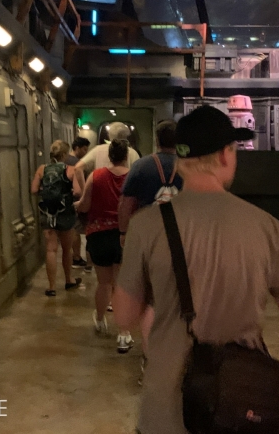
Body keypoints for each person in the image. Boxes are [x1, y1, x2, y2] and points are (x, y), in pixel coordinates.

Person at [113, 105, 279, 434]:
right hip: (242, 408)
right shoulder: (266, 226)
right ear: (226, 155)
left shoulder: (146, 225)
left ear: (180, 160)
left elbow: (124, 316)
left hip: (166, 412)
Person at [117, 119, 184, 379]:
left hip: (148, 240)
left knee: (150, 301)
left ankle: (150, 358)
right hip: (183, 241)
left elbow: (126, 203)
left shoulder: (141, 166)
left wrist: (124, 233)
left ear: (157, 139)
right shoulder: (189, 167)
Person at [75, 139, 135, 354]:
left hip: (99, 235)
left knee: (104, 283)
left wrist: (77, 205)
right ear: (126, 156)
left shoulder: (97, 175)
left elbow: (85, 205)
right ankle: (124, 333)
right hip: (125, 236)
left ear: (110, 156)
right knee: (121, 285)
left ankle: (100, 321)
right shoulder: (133, 177)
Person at [30, 140, 82, 297]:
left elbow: (34, 189)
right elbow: (78, 192)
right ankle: (69, 280)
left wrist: (46, 191)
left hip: (47, 212)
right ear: (65, 154)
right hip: (65, 212)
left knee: (51, 249)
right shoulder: (71, 170)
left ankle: (51, 287)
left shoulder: (42, 169)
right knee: (67, 249)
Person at [73, 121, 140, 194]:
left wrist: (85, 192)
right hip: (123, 195)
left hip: (101, 195)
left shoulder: (98, 150)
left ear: (109, 135)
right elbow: (139, 176)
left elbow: (78, 168)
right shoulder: (133, 153)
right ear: (126, 136)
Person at [65, 137, 92, 268]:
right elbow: (77, 190)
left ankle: (75, 256)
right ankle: (78, 258)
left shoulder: (64, 160)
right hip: (76, 200)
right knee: (80, 229)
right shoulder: (77, 163)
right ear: (77, 148)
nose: (86, 152)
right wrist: (85, 198)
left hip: (65, 200)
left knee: (72, 228)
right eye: (84, 149)